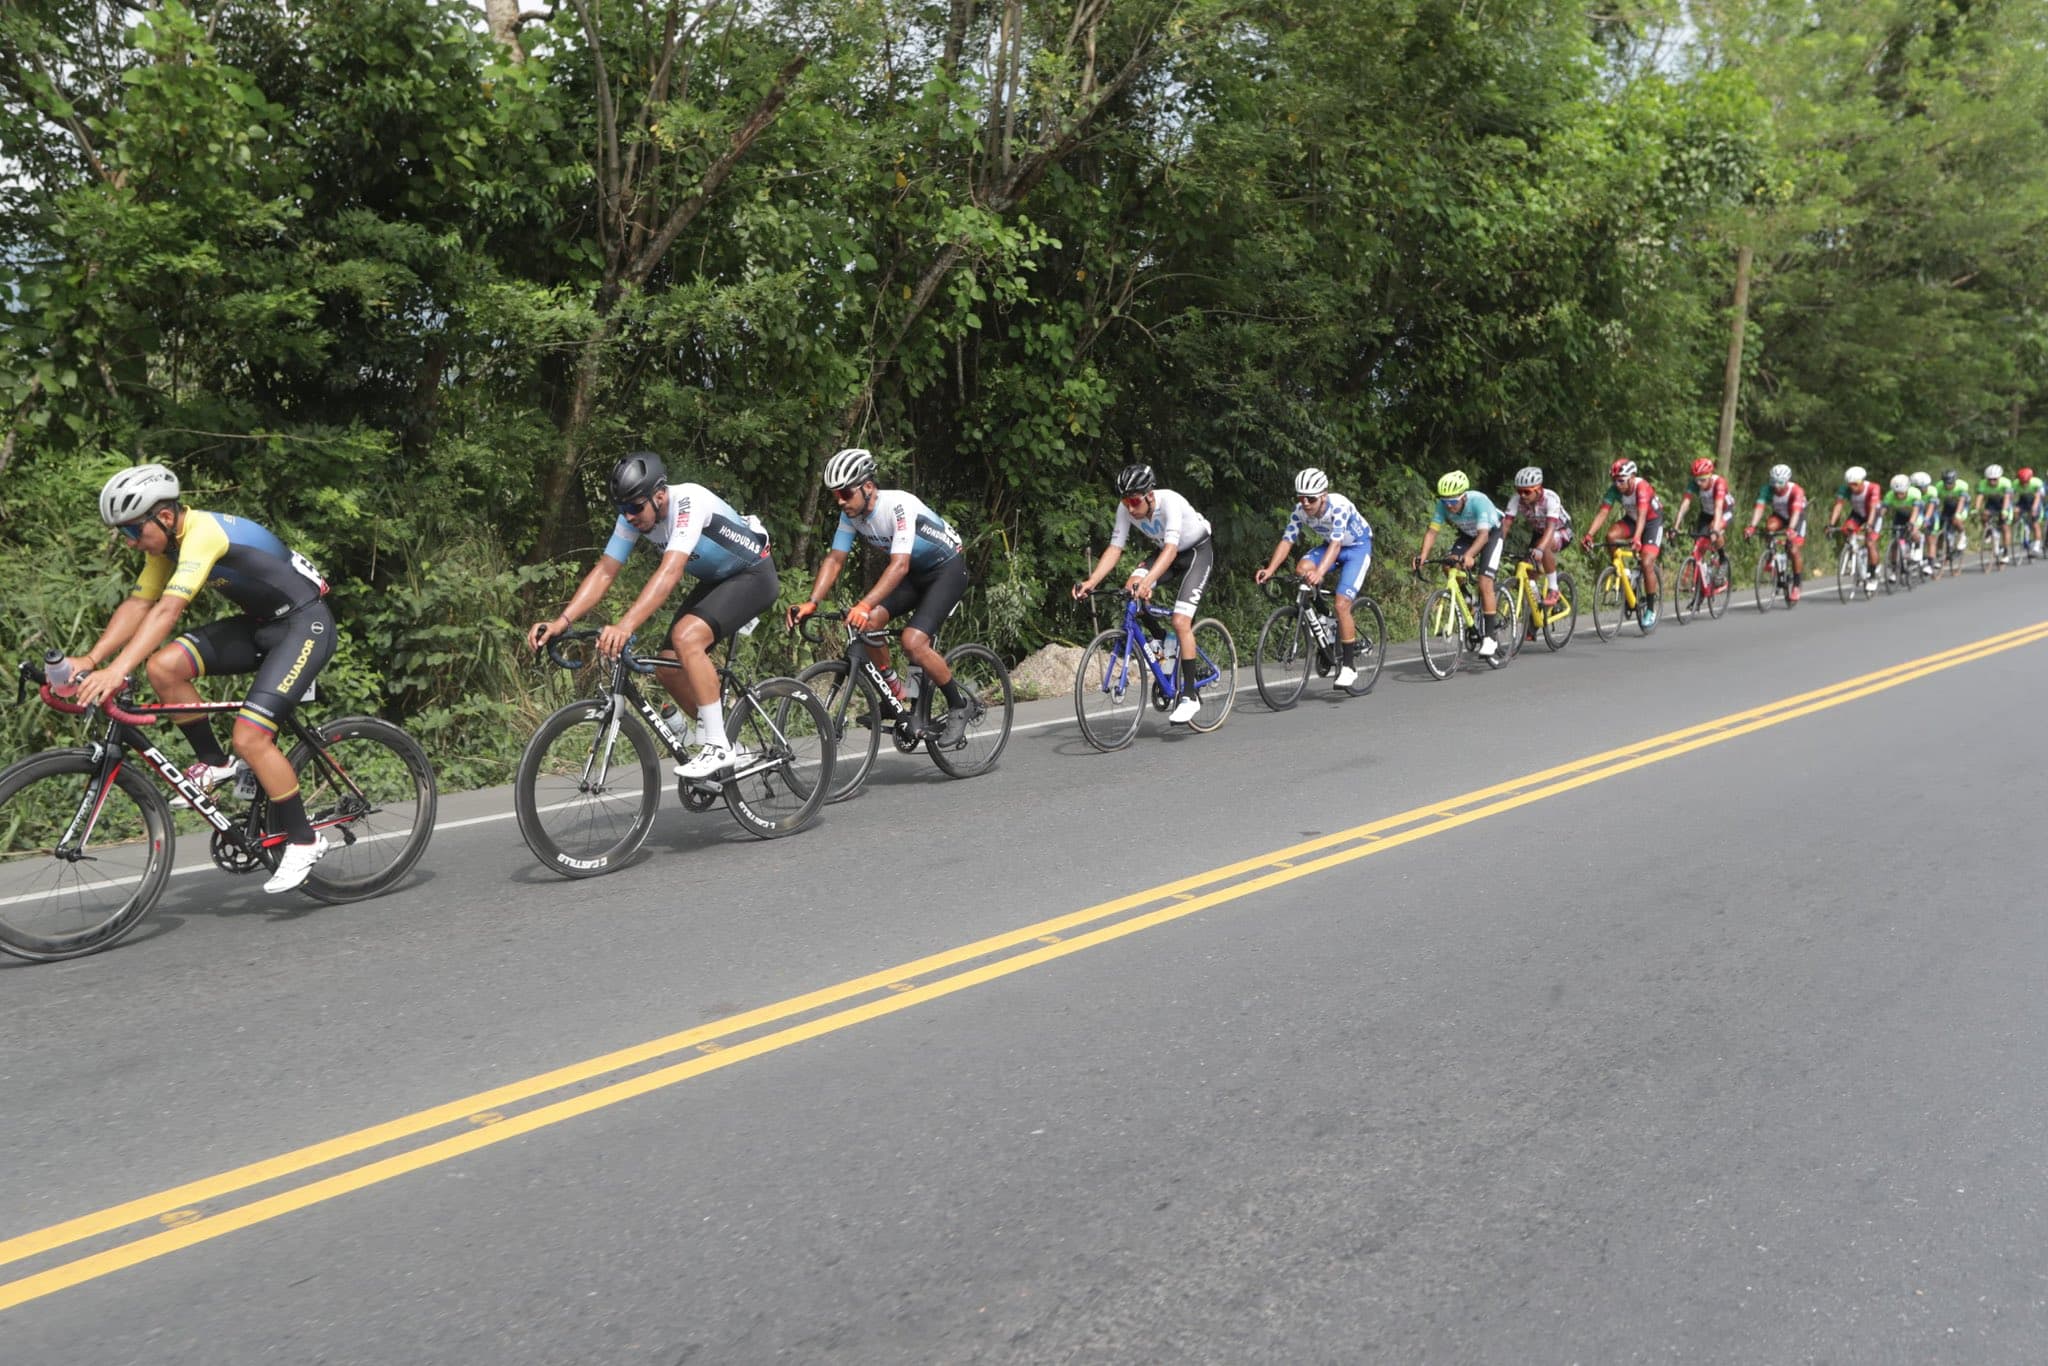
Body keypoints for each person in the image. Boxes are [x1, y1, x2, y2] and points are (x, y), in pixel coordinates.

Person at [67, 463, 337, 893]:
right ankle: (215, 764)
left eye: (134, 531)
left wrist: (117, 670)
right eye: (124, 534)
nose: (131, 542)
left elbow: (167, 611)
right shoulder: (164, 549)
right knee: (163, 667)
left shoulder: (204, 534)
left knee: (250, 736)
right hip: (262, 624)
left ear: (166, 517)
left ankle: (304, 840)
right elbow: (140, 605)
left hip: (305, 625)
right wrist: (92, 657)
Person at [529, 452, 777, 780]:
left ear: (659, 495)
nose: (629, 516)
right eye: (622, 509)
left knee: (687, 638)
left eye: (634, 508)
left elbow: (671, 571)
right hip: (718, 580)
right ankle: (727, 739)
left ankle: (718, 745)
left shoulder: (689, 502)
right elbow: (605, 571)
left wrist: (625, 625)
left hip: (754, 575)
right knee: (667, 666)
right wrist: (563, 622)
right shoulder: (635, 515)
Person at [788, 448, 973, 747]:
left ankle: (959, 704)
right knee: (870, 623)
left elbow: (898, 565)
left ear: (868, 487)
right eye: (835, 494)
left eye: (846, 493)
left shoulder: (899, 506)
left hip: (946, 571)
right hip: (915, 573)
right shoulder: (851, 515)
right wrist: (813, 601)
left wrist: (863, 604)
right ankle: (897, 693)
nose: (840, 500)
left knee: (913, 642)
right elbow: (835, 559)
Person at [1072, 464, 1215, 722]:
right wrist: (1091, 581)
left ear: (1150, 495)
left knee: (1180, 620)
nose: (1129, 507)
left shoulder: (1170, 502)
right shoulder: (1126, 509)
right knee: (1131, 589)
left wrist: (1149, 580)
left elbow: (1171, 550)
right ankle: (1164, 644)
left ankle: (1190, 696)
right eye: (1125, 501)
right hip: (1166, 555)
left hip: (1195, 553)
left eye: (1134, 501)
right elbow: (1115, 549)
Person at [1253, 467, 1375, 688]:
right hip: (1331, 547)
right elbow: (1287, 540)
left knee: (1342, 603)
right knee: (1301, 570)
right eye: (1301, 497)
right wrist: (1270, 569)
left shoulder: (1338, 506)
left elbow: (1337, 544)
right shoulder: (1300, 510)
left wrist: (1319, 573)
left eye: (1310, 498)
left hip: (1356, 548)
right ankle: (1326, 619)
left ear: (1323, 496)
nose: (1305, 503)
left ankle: (1348, 666)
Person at [1411, 470, 1505, 658]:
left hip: (1491, 533)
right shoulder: (1443, 505)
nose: (1449, 506)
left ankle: (1490, 637)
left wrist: (1469, 556)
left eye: (1453, 502)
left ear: (1463, 497)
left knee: (1484, 580)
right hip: (1468, 535)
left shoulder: (1478, 502)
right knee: (1448, 564)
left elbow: (1484, 536)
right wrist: (1422, 556)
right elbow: (1432, 532)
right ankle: (1467, 599)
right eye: (1445, 502)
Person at [1578, 458, 1665, 628]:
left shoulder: (1642, 487)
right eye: (1614, 480)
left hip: (1651, 522)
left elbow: (1642, 515)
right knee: (1611, 536)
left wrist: (1637, 538)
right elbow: (1603, 513)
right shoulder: (1615, 489)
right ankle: (1622, 571)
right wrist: (1589, 534)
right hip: (1632, 520)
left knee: (1647, 562)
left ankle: (1650, 609)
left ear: (1632, 477)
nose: (1617, 484)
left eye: (1621, 480)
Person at [1497, 466, 1572, 614]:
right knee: (1527, 573)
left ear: (1538, 489)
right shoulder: (1516, 500)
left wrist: (1540, 549)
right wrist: (1496, 546)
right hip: (1539, 533)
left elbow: (1550, 529)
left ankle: (1553, 589)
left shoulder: (1551, 498)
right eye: (1519, 491)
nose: (1522, 495)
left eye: (1527, 492)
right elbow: (1505, 525)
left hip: (1560, 530)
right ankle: (1535, 617)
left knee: (1543, 548)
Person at [1744, 463, 1808, 602]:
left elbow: (1796, 512)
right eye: (1773, 482)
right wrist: (1752, 526)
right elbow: (1759, 508)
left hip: (1796, 517)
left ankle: (1796, 584)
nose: (1776, 486)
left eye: (1780, 482)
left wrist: (1791, 530)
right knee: (1769, 528)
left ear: (1787, 480)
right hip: (1779, 516)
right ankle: (1771, 555)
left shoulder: (1796, 491)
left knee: (1793, 549)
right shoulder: (1767, 490)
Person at [1673, 456, 1733, 595]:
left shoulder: (1719, 483)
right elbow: (1685, 505)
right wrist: (1675, 526)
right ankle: (1701, 584)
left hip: (1724, 511)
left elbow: (1718, 508)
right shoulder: (1695, 483)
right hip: (1706, 513)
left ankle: (1723, 559)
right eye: (1696, 480)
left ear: (1710, 476)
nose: (1699, 483)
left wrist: (1716, 530)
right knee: (1698, 545)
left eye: (1703, 479)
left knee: (1714, 529)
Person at [1825, 466, 1883, 585]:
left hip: (1874, 515)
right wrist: (1831, 524)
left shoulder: (1873, 487)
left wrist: (1869, 524)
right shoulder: (1845, 489)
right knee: (1847, 529)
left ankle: (1872, 574)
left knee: (1870, 542)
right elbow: (1838, 506)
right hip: (1858, 514)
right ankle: (1852, 554)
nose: (1852, 487)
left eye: (1855, 484)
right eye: (1850, 484)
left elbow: (1873, 508)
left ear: (1862, 481)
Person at [1879, 474, 1924, 579]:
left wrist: (1912, 523)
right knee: (1895, 542)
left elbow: (1916, 511)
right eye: (1896, 493)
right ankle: (1894, 570)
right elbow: (1883, 510)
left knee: (1913, 531)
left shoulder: (1914, 493)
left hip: (1915, 514)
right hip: (1900, 515)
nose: (1899, 496)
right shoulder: (1889, 495)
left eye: (1902, 493)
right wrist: (1878, 520)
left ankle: (1917, 546)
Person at [1974, 462, 2016, 568]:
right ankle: (1988, 532)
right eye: (1990, 479)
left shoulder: (2006, 483)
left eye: (1995, 479)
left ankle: (2006, 553)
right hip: (1992, 503)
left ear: (1999, 478)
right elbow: (1980, 497)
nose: (1992, 482)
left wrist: (2005, 511)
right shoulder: (1983, 483)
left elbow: (2007, 498)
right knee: (1984, 514)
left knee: (2005, 526)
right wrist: (1976, 509)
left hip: (2004, 503)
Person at [1932, 468, 1973, 575]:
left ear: (1955, 481)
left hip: (1962, 506)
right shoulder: (1939, 487)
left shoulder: (1962, 486)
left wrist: (1957, 514)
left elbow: (1961, 502)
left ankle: (1963, 536)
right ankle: (1940, 553)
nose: (1948, 485)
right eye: (1946, 483)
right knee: (1940, 529)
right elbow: (1935, 502)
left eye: (1950, 483)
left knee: (1956, 519)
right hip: (1948, 506)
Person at [2016, 466, 2045, 556]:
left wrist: (2034, 508)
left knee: (2034, 522)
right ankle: (2019, 529)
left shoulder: (2036, 483)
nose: (2024, 484)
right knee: (2015, 511)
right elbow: (2010, 497)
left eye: (2026, 482)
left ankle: (2037, 545)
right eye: (2022, 482)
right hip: (2023, 501)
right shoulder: (2015, 484)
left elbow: (2038, 497)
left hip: (2035, 500)